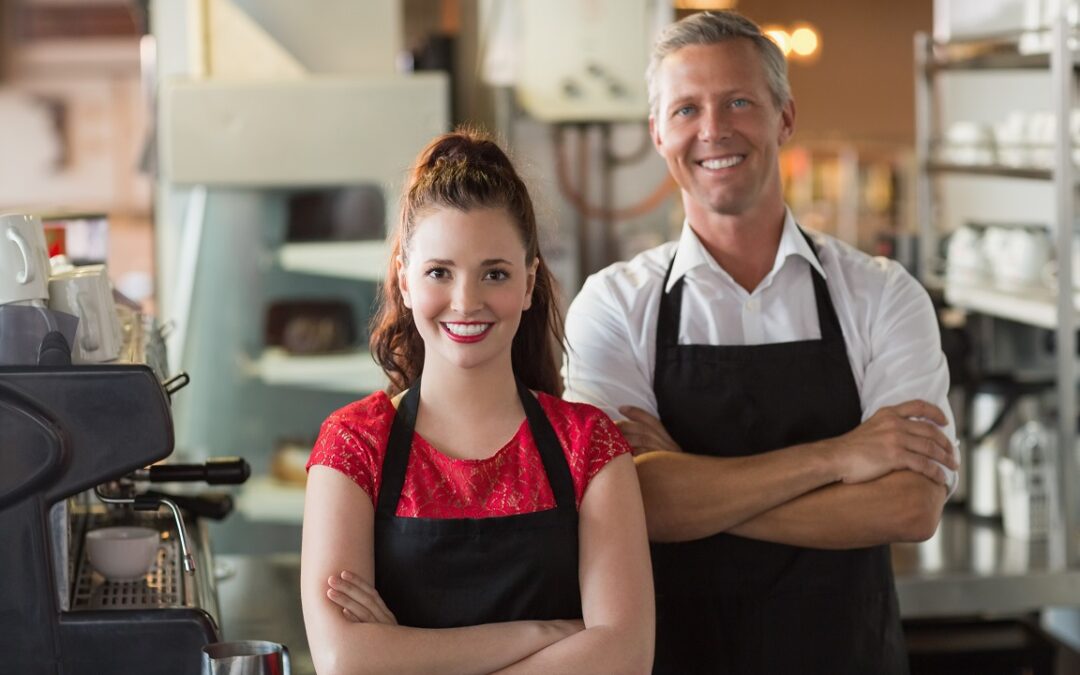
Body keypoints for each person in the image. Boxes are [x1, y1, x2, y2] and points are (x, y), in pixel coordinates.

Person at [562, 11, 959, 675]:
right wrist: (841, 456)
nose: (713, 130)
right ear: (658, 132)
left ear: (785, 118)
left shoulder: (883, 295)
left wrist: (689, 487)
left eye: (739, 101)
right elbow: (621, 506)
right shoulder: (613, 304)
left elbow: (910, 504)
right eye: (687, 108)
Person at [301, 129, 654, 675]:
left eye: (495, 273)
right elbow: (344, 659)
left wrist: (407, 654)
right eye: (440, 272)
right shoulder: (354, 443)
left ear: (530, 281)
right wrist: (545, 634)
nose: (466, 302)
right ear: (405, 278)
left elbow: (626, 656)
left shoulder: (588, 443)